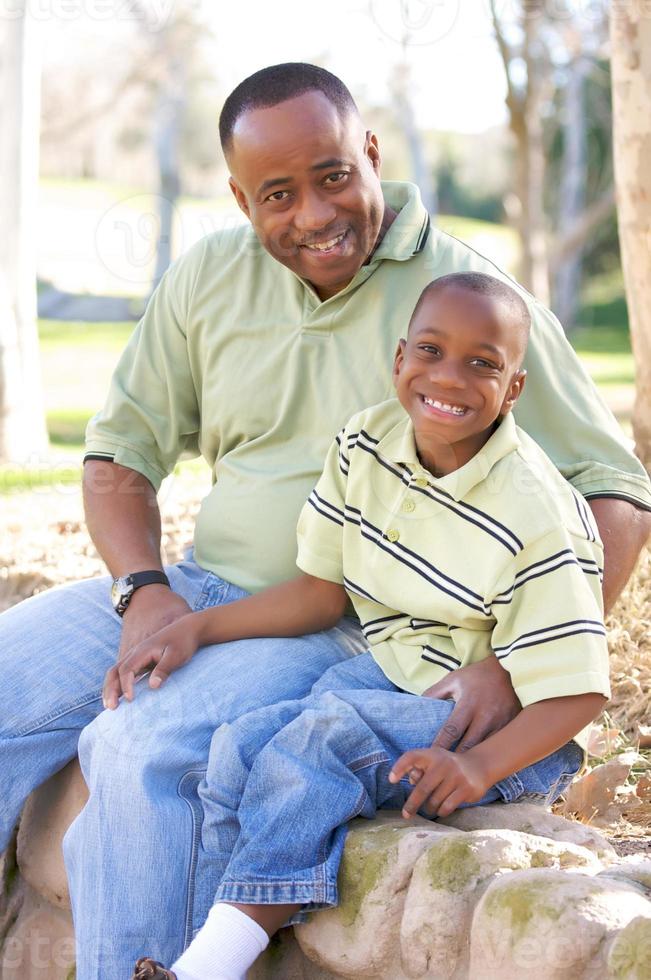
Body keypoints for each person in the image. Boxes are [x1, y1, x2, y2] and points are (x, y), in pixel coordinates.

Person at [0, 63, 648, 978]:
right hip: (202, 588)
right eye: (277, 193)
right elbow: (118, 457)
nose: (312, 213)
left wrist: (511, 667)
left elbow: (613, 494)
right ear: (239, 197)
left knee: (141, 745)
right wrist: (143, 591)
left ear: (371, 153)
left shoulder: (466, 302)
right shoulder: (209, 277)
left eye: (334, 175)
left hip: (354, 625)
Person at [128, 272, 610, 980]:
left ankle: (209, 970)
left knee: (321, 745)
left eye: (482, 364)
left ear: (513, 389)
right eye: (430, 350)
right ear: (397, 359)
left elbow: (579, 694)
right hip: (393, 669)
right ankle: (209, 954)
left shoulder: (535, 511)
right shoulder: (366, 443)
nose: (449, 377)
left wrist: (476, 767)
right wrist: (201, 627)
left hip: (505, 735)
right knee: (238, 746)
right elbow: (323, 595)